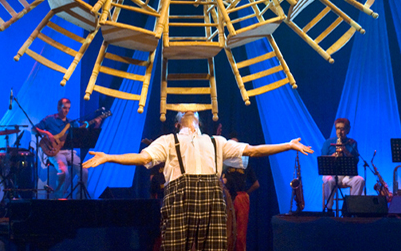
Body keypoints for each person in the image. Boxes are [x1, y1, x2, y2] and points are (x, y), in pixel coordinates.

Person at [82, 110, 313, 251]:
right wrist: (109, 157)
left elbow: (252, 150)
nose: (189, 109)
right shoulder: (167, 140)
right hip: (178, 201)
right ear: (177, 122)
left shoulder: (216, 141)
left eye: (193, 110)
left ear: (199, 121)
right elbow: (142, 158)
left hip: (212, 200)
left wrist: (287, 145)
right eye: (184, 110)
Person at [32, 98, 88, 199]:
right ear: (58, 107)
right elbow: (34, 129)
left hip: (69, 151)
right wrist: (47, 133)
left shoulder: (72, 122)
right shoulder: (50, 119)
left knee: (84, 171)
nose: (67, 111)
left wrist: (95, 124)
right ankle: (58, 198)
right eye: (64, 108)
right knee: (64, 171)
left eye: (68, 108)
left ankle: (80, 198)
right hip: (55, 152)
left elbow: (79, 136)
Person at [223, 134, 259, 251]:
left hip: (241, 197)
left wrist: (246, 193)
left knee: (241, 231)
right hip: (227, 197)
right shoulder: (225, 162)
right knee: (226, 230)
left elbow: (256, 183)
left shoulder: (245, 163)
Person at [321, 118, 365, 209]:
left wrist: (345, 151)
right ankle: (329, 208)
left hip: (346, 176)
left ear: (348, 130)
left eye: (342, 129)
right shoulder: (328, 143)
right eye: (337, 128)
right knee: (329, 180)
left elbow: (356, 161)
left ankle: (352, 208)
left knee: (360, 180)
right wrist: (332, 157)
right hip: (331, 174)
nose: (339, 132)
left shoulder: (352, 143)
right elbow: (323, 160)